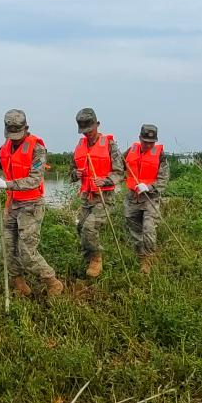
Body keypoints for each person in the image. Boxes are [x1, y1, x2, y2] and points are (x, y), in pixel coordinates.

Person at [0, 110, 65, 297]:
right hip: (12, 203)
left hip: (31, 205)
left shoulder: (37, 148)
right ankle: (19, 284)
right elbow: (3, 164)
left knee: (26, 252)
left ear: (26, 128)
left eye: (18, 135)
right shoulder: (7, 145)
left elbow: (34, 179)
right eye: (11, 135)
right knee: (6, 248)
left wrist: (7, 184)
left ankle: (52, 281)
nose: (14, 139)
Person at [70, 108, 123, 277]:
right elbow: (71, 172)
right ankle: (87, 258)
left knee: (90, 228)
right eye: (84, 131)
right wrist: (75, 174)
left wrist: (106, 180)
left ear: (97, 125)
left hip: (104, 197)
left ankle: (96, 258)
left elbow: (119, 172)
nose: (88, 134)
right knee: (80, 227)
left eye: (90, 130)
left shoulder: (109, 145)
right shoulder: (80, 146)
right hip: (86, 197)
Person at [123, 124, 170, 273]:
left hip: (151, 198)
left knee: (148, 228)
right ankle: (141, 255)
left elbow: (164, 179)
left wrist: (149, 187)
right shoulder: (131, 151)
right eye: (145, 142)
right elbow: (119, 165)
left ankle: (148, 259)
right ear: (140, 138)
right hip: (133, 197)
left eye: (151, 142)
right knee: (134, 228)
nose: (148, 145)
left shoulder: (160, 155)